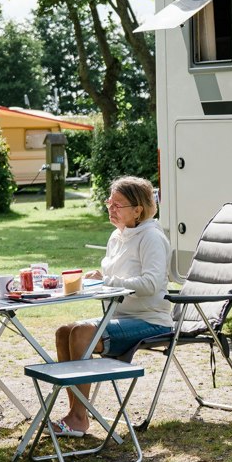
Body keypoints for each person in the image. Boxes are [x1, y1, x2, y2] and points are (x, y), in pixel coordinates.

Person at [52, 175, 171, 436]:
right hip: (118, 317)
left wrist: (108, 281)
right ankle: (76, 416)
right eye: (109, 202)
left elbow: (151, 283)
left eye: (118, 205)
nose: (111, 209)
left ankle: (77, 417)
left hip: (150, 321)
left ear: (138, 210)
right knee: (64, 331)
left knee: (81, 333)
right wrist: (97, 279)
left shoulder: (151, 237)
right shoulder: (117, 237)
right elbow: (115, 277)